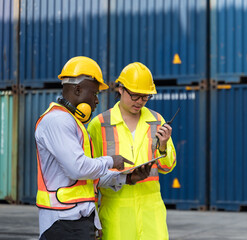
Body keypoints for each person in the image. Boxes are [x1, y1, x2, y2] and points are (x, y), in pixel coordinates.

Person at [35, 56, 153, 240]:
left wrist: (127, 178)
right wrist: (111, 160)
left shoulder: (73, 123)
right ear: (78, 89)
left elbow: (88, 180)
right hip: (62, 223)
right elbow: (78, 169)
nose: (97, 101)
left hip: (76, 221)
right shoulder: (57, 121)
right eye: (95, 93)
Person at [87, 62, 177, 239]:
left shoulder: (157, 121)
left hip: (152, 212)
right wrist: (93, 219)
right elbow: (90, 175)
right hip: (116, 213)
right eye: (135, 96)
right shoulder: (99, 124)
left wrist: (163, 146)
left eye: (145, 97)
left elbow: (168, 167)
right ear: (121, 89)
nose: (140, 102)